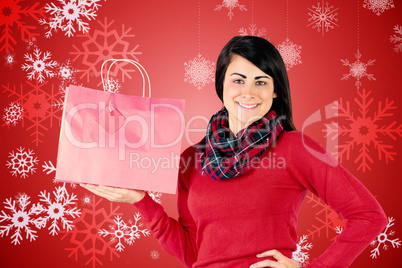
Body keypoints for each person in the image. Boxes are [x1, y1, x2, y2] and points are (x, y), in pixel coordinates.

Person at [81, 36, 388, 268]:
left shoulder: (296, 148)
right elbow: (192, 252)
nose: (249, 92)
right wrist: (140, 200)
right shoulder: (192, 157)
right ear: (221, 84)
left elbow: (369, 216)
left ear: (275, 89)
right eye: (238, 80)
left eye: (261, 81)